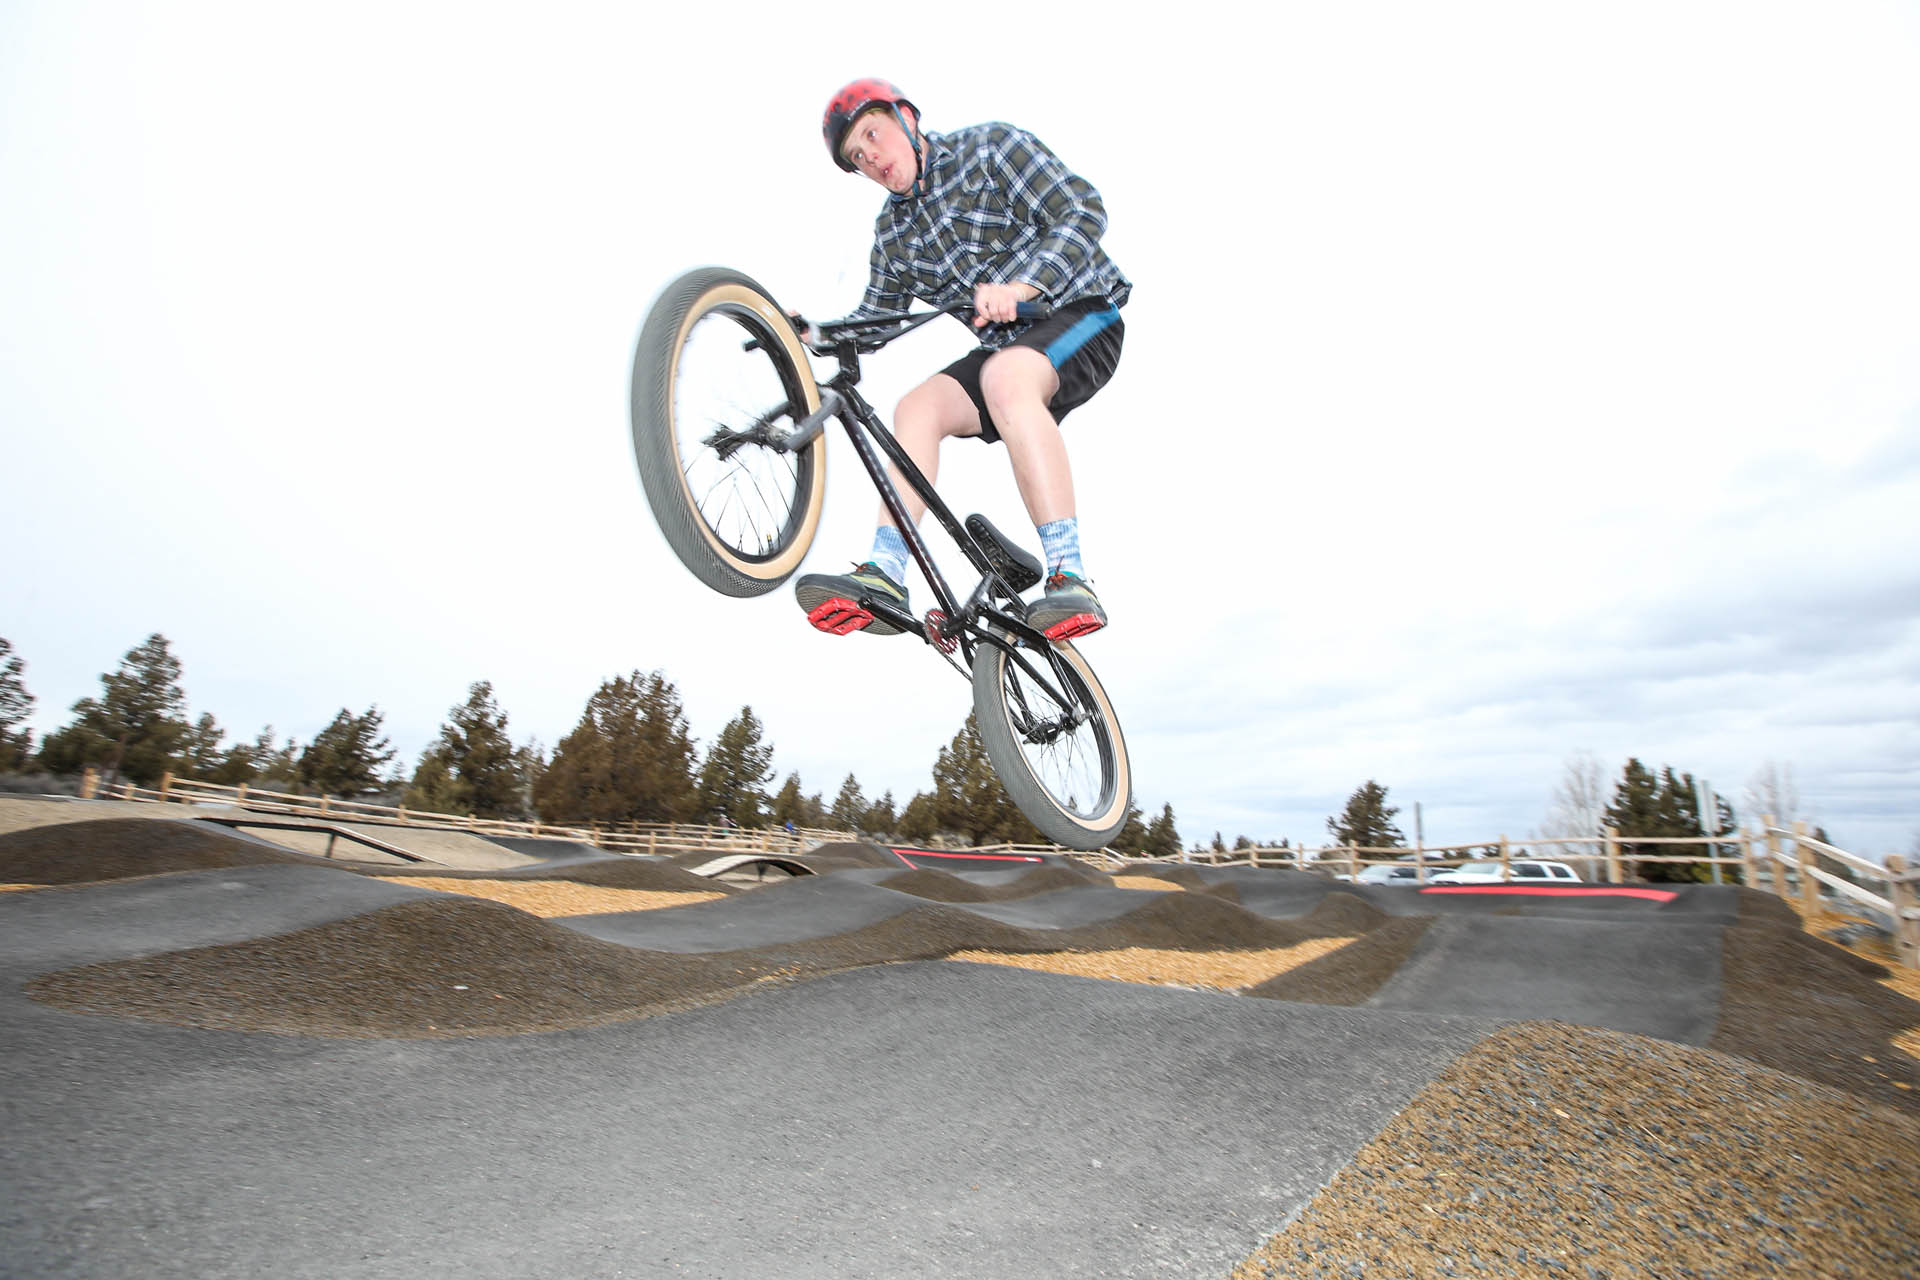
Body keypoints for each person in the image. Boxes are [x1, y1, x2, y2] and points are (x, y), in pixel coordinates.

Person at [793, 78, 1130, 643]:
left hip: (1083, 311)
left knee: (1005, 376)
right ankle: (887, 573)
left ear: (907, 119)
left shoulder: (991, 149)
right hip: (1007, 350)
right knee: (917, 407)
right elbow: (876, 320)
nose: (871, 157)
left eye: (873, 135)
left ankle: (1071, 575)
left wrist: (1022, 285)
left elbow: (1082, 210)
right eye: (857, 156)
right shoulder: (894, 232)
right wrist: (815, 333)